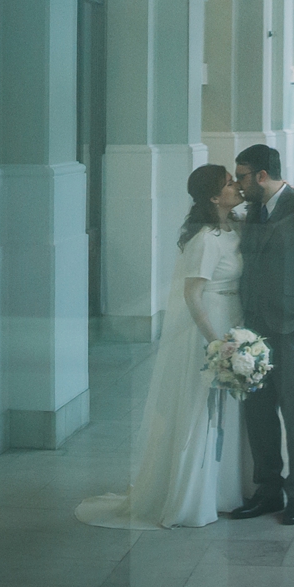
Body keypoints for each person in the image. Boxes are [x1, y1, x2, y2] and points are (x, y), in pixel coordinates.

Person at [75, 163, 245, 528]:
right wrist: (215, 342)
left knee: (228, 411)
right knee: (203, 408)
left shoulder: (235, 228)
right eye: (230, 184)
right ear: (215, 196)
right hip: (212, 327)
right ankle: (194, 493)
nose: (236, 187)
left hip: (235, 319)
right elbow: (192, 296)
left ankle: (225, 488)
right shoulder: (206, 240)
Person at [227, 143, 294, 527]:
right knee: (257, 410)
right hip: (254, 328)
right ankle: (267, 488)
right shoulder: (252, 213)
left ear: (261, 176)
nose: (238, 184)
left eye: (241, 176)